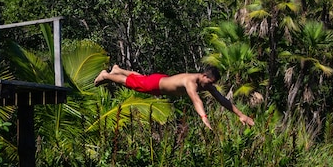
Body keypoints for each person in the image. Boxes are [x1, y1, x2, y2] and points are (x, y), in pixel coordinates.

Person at [94, 64, 255, 129]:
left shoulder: (205, 83)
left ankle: (118, 69)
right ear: (205, 75)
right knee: (132, 83)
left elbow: (222, 99)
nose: (209, 86)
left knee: (141, 78)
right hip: (157, 84)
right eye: (210, 82)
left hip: (160, 81)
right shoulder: (191, 81)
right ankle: (107, 75)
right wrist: (204, 117)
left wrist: (241, 115)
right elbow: (195, 99)